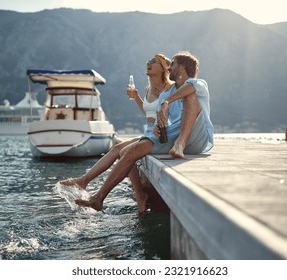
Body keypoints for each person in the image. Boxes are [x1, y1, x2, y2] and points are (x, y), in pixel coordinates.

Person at [75, 51, 214, 212]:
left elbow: (189, 89)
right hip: (173, 137)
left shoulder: (198, 84)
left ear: (182, 66)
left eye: (173, 64)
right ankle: (98, 198)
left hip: (196, 139)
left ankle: (180, 145)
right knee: (131, 150)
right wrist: (158, 127)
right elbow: (162, 120)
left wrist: (166, 102)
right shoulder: (166, 95)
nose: (169, 67)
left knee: (191, 97)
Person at [59, 54, 173, 213]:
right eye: (148, 60)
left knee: (125, 151)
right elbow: (149, 116)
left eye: (154, 61)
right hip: (149, 131)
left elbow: (173, 115)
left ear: (163, 67)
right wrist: (137, 97)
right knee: (116, 149)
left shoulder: (170, 89)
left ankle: (136, 195)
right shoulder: (147, 89)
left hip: (160, 134)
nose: (149, 62)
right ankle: (84, 181)